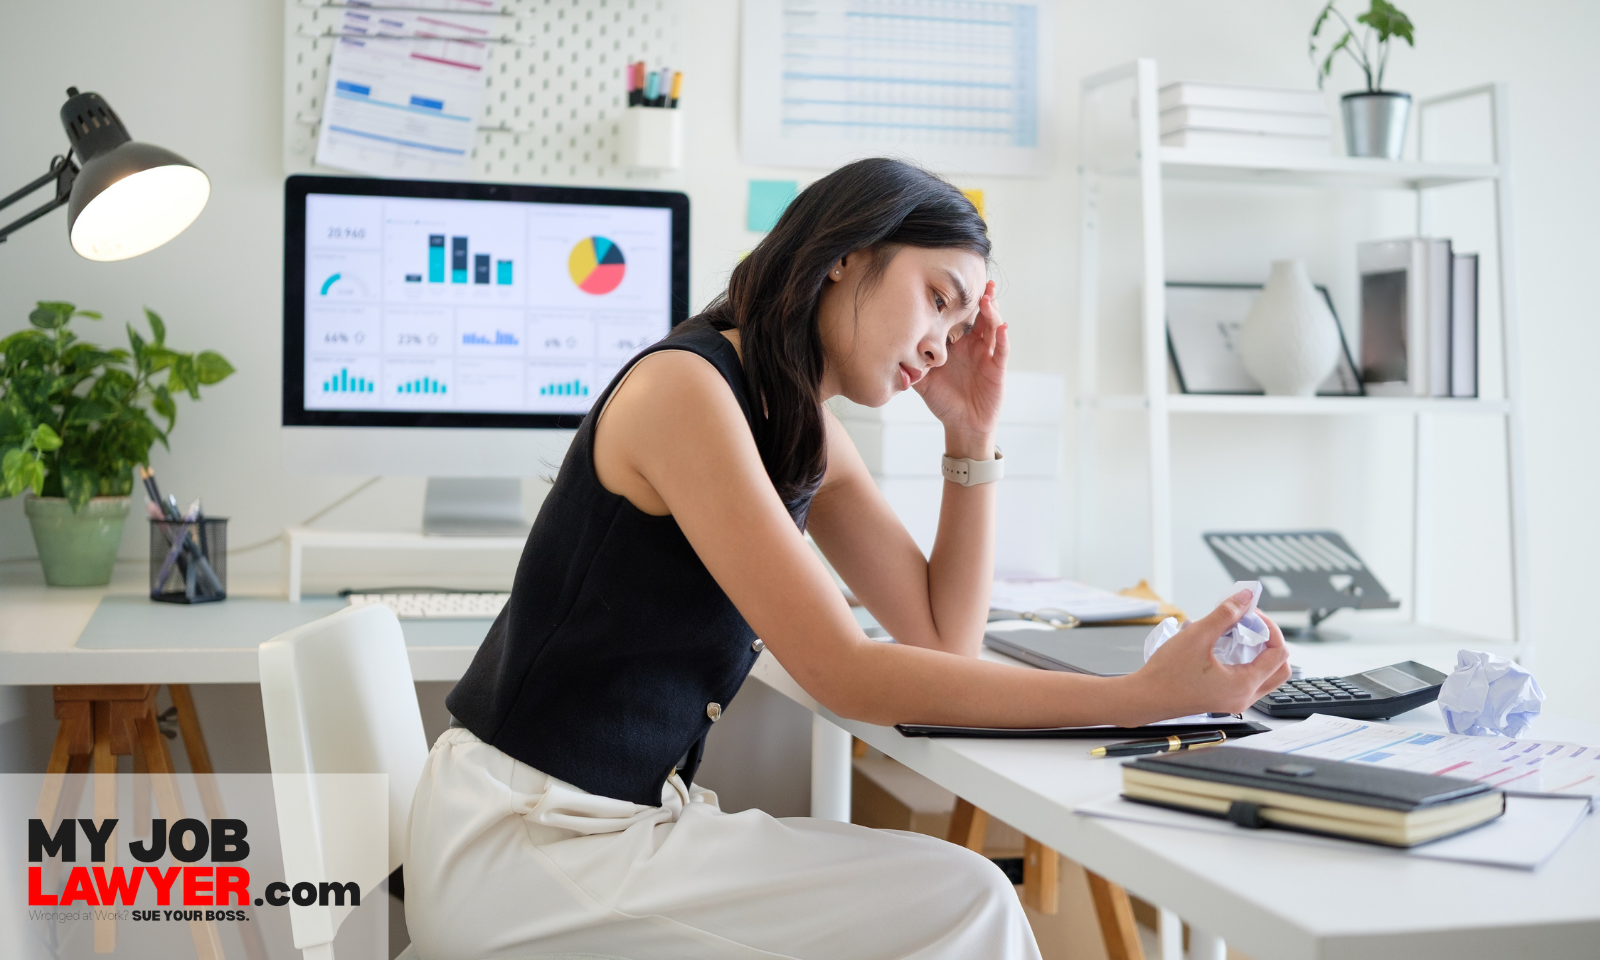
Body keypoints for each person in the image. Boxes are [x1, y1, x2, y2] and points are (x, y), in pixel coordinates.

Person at [405, 158, 1291, 959]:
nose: (946, 341)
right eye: (939, 297)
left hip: (610, 828)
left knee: (959, 896)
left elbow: (943, 643)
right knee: (966, 902)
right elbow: (847, 671)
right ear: (846, 252)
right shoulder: (688, 390)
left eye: (962, 319)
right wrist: (1141, 700)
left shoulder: (795, 422)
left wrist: (971, 435)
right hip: (531, 847)